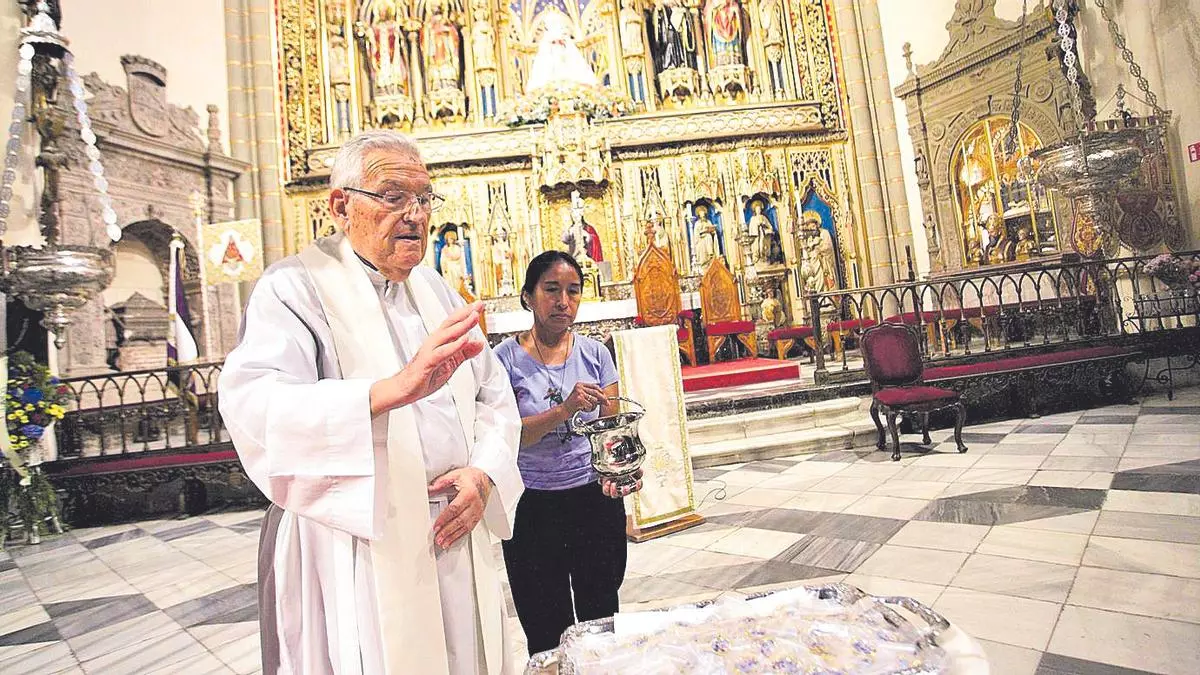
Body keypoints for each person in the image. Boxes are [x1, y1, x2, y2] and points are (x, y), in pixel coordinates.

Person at [219, 130, 524, 675]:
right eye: (392, 197)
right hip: (357, 540)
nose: (415, 215)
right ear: (341, 205)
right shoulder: (294, 289)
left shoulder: (437, 291)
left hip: (454, 528)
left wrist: (483, 473)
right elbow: (256, 403)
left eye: (425, 198)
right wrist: (390, 392)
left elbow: (493, 398)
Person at [493, 251, 640, 656]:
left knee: (600, 616)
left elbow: (614, 432)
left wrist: (623, 473)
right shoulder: (503, 360)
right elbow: (507, 437)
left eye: (573, 291)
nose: (563, 302)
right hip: (533, 507)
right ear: (527, 296)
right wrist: (564, 410)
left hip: (591, 501)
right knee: (545, 624)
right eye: (551, 289)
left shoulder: (596, 354)